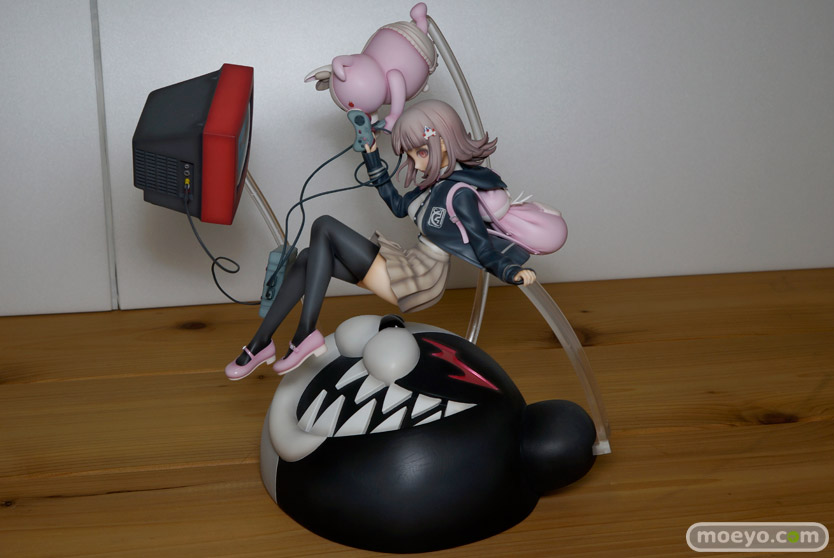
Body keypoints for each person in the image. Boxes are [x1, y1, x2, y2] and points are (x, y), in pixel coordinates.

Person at [225, 99, 535, 380]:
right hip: (409, 262)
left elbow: (482, 246)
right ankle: (260, 344)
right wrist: (371, 155)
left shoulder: (460, 194)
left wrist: (510, 271)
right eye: (411, 155)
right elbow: (398, 205)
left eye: (421, 152)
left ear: (443, 143)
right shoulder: (433, 188)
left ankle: (305, 333)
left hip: (422, 278)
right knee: (307, 259)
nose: (417, 163)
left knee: (324, 226)